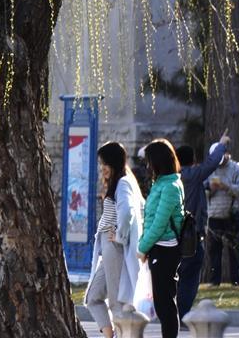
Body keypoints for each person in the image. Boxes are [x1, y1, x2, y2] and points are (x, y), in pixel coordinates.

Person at [84, 142, 146, 338]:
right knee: (93, 297)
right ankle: (110, 335)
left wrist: (120, 235)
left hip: (113, 246)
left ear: (114, 163)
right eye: (101, 163)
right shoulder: (120, 182)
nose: (102, 168)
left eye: (105, 163)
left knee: (117, 302)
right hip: (107, 245)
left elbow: (128, 210)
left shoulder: (123, 182)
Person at [176, 130, 231, 320]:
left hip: (174, 234)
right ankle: (182, 314)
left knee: (180, 274)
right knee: (190, 276)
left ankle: (176, 312)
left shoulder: (175, 176)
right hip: (190, 235)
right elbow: (210, 164)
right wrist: (222, 144)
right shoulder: (191, 174)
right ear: (192, 160)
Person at [137, 139, 185, 338]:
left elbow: (158, 224)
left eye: (149, 161)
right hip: (158, 248)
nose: (147, 166)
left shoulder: (171, 186)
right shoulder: (162, 183)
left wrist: (142, 248)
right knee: (162, 301)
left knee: (164, 303)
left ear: (158, 162)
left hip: (165, 249)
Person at [204, 144, 239, 287]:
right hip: (213, 214)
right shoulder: (210, 169)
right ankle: (214, 281)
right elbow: (202, 190)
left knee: (235, 249)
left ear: (227, 153)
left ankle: (237, 280)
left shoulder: (238, 168)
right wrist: (210, 189)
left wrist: (226, 187)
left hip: (232, 214)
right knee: (214, 251)